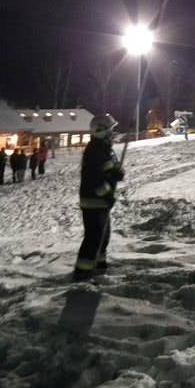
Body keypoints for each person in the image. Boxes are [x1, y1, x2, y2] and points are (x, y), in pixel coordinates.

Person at [74, 113, 124, 281]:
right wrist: (107, 194)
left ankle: (99, 266)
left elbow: (108, 170)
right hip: (94, 201)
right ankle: (83, 272)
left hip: (100, 201)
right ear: (101, 131)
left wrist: (116, 172)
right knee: (94, 238)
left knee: (103, 237)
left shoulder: (104, 148)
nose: (113, 133)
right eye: (111, 130)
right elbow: (94, 180)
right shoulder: (96, 150)